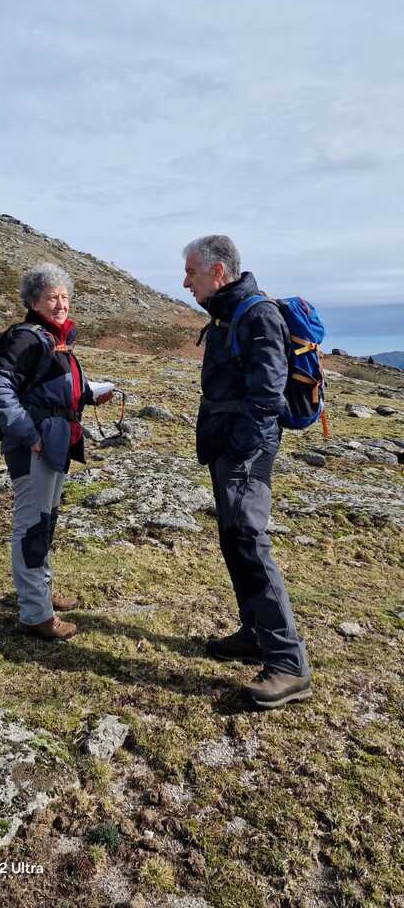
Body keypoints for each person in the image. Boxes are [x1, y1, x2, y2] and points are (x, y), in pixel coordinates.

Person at [183, 235, 311, 709]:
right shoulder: (228, 314)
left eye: (191, 272)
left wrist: (239, 449)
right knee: (235, 540)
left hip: (245, 452)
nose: (185, 282)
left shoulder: (257, 316)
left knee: (250, 544)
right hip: (229, 447)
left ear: (218, 272)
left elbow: (267, 394)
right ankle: (255, 634)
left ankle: (289, 665)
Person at [0, 261, 112, 641]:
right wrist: (28, 433)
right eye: (52, 297)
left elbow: (55, 389)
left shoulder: (56, 340)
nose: (61, 304)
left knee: (46, 521)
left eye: (65, 297)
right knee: (32, 525)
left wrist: (90, 394)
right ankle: (35, 614)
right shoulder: (27, 339)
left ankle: (41, 593)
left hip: (55, 442)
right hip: (34, 446)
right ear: (34, 302)